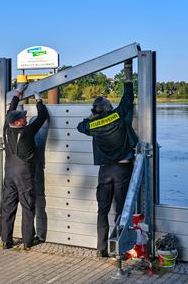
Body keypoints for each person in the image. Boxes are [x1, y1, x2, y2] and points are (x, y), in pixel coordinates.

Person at [77, 60, 138, 257]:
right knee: (121, 211)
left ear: (96, 112)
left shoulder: (93, 126)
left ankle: (101, 249)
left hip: (104, 172)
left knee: (102, 211)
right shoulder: (118, 116)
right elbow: (128, 98)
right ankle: (119, 248)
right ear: (109, 108)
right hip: (122, 169)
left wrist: (92, 117)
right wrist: (128, 76)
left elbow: (81, 126)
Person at [1, 83, 49, 250]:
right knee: (28, 206)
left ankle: (6, 241)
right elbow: (43, 116)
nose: (26, 118)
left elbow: (10, 110)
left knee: (8, 207)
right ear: (18, 122)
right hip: (24, 174)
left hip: (9, 172)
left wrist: (18, 92)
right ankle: (28, 241)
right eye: (23, 117)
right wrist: (38, 99)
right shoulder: (27, 132)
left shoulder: (6, 128)